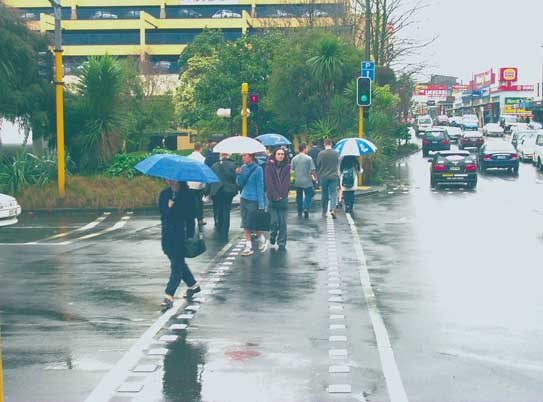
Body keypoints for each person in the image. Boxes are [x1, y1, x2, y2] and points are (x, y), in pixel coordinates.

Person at [158, 180, 201, 312]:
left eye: (172, 179)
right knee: (177, 261)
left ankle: (169, 295)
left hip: (181, 233)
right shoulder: (164, 194)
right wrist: (168, 207)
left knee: (176, 264)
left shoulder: (188, 195)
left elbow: (191, 216)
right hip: (167, 233)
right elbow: (162, 213)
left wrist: (189, 235)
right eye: (167, 178)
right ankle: (193, 285)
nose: (169, 181)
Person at [236, 153, 268, 256]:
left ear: (251, 157)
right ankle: (248, 246)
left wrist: (261, 203)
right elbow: (239, 184)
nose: (243, 158)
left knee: (252, 223)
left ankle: (262, 238)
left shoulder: (258, 169)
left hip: (254, 199)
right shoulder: (243, 167)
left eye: (245, 156)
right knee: (245, 223)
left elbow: (260, 185)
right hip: (244, 197)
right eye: (242, 156)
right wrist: (238, 174)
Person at [264, 147, 291, 251]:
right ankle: (273, 234)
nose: (280, 156)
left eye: (282, 154)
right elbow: (269, 182)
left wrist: (282, 195)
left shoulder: (287, 167)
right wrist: (275, 195)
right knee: (274, 222)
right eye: (279, 154)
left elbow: (286, 182)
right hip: (272, 198)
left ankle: (281, 242)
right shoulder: (269, 167)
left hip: (283, 198)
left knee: (283, 223)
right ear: (274, 155)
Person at [209, 153, 237, 238]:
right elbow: (234, 178)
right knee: (226, 209)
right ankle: (225, 230)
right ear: (227, 155)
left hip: (216, 190)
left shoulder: (214, 165)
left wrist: (207, 191)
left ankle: (219, 225)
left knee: (219, 208)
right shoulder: (232, 165)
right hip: (228, 190)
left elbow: (211, 178)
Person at [291, 143, 316, 219]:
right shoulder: (308, 158)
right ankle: (306, 208)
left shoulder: (294, 158)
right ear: (304, 148)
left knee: (299, 196)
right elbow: (312, 170)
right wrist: (314, 177)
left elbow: (292, 169)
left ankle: (299, 211)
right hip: (307, 180)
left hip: (298, 180)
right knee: (308, 195)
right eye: (307, 148)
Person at [317, 139, 340, 219]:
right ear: (331, 144)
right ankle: (332, 209)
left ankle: (324, 210)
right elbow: (338, 163)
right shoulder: (336, 153)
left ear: (324, 144)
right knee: (333, 193)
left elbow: (318, 164)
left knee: (324, 193)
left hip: (323, 176)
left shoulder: (321, 154)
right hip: (333, 176)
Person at [187, 143, 206, 226]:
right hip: (199, 183)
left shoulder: (188, 158)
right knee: (199, 202)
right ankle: (200, 219)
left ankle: (190, 218)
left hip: (190, 183)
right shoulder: (203, 159)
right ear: (201, 148)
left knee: (190, 202)